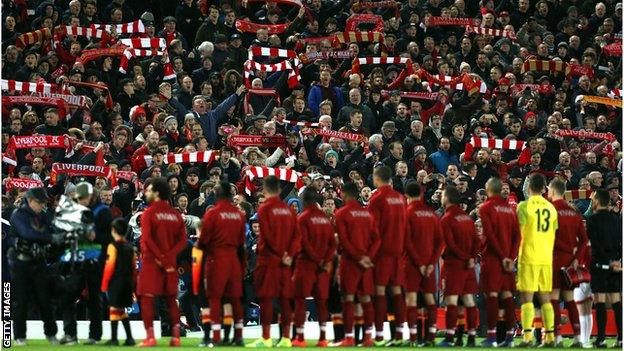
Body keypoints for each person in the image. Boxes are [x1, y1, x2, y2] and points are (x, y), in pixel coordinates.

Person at [247, 176, 299, 348]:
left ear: (266, 189)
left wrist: (278, 253)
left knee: (266, 298)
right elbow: (296, 237)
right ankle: (285, 338)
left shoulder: (264, 209)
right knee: (284, 299)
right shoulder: (289, 210)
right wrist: (288, 255)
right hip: (285, 263)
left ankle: (267, 338)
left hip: (269, 260)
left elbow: (267, 236)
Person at [136, 177, 188, 347]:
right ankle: (175, 338)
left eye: (149, 190)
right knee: (171, 300)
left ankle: (150, 337)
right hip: (171, 264)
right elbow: (183, 241)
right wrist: (169, 257)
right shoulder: (175, 214)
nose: (146, 192)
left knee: (147, 298)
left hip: (152, 262)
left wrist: (160, 257)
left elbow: (148, 240)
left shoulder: (149, 213)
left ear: (157, 193)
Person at [197, 181, 246, 346]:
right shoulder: (239, 214)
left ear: (218, 194)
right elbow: (242, 244)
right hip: (234, 261)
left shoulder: (212, 214)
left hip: (216, 259)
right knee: (234, 300)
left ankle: (216, 337)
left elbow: (203, 241)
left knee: (215, 298)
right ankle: (238, 336)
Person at [8, 187, 58, 346]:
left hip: (39, 262)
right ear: (30, 201)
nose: (42, 205)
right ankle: (19, 336)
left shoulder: (43, 215)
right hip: (21, 264)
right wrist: (50, 237)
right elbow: (27, 233)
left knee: (45, 300)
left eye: (43, 202)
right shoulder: (18, 215)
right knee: (21, 301)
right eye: (40, 202)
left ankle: (51, 334)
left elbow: (55, 228)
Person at [59, 182, 107, 345]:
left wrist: (96, 236)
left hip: (96, 261)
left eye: (83, 197)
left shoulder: (103, 212)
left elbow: (110, 237)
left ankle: (94, 335)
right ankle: (71, 334)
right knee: (69, 296)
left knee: (94, 299)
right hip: (77, 260)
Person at [332, 182, 379, 347]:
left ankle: (350, 338)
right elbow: (377, 239)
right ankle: (368, 338)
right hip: (366, 264)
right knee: (366, 299)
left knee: (348, 299)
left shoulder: (341, 213)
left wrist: (359, 258)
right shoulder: (367, 214)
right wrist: (368, 257)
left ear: (343, 194)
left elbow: (344, 240)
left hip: (350, 262)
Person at [516, 173, 558, 347]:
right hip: (546, 258)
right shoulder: (551, 208)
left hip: (529, 256)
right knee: (545, 299)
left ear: (529, 187)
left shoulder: (524, 206)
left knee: (527, 298)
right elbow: (553, 234)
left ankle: (527, 338)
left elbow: (519, 233)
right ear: (543, 188)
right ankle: (549, 338)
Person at [478, 177, 521, 347]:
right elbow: (518, 236)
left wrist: (503, 257)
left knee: (492, 296)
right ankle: (510, 337)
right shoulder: (510, 210)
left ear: (488, 189)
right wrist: (510, 257)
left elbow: (489, 233)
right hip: (509, 260)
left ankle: (492, 337)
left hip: (493, 258)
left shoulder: (485, 208)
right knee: (508, 296)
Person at [367, 165, 407, 345]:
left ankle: (380, 335)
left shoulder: (376, 199)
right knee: (397, 291)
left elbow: (372, 229)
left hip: (382, 253)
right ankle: (398, 335)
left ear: (376, 179)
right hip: (398, 252)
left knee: (380, 292)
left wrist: (369, 255)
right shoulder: (400, 198)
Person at [292, 188, 337, 347]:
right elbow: (332, 244)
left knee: (299, 300)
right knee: (321, 302)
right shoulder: (325, 220)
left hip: (306, 264)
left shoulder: (302, 218)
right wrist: (325, 260)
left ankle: (300, 338)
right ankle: (323, 339)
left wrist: (317, 260)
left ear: (304, 201)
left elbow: (303, 242)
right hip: (323, 267)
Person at [548, 178, 589, 347]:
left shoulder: (550, 210)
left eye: (549, 190)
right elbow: (584, 240)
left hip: (553, 258)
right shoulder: (573, 212)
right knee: (570, 299)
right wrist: (576, 260)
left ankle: (557, 338)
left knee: (554, 298)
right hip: (569, 261)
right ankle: (578, 338)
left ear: (553, 191)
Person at [437, 186, 480, 347]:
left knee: (452, 301)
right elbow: (477, 240)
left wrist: (464, 257)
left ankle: (449, 337)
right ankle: (469, 337)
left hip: (454, 265)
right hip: (468, 266)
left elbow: (450, 244)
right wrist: (471, 257)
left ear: (447, 198)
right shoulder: (467, 218)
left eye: (442, 196)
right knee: (468, 300)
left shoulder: (446, 219)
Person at [403, 182, 443, 346]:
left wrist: (420, 264)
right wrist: (431, 262)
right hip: (430, 265)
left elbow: (407, 241)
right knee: (430, 300)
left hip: (413, 264)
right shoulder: (431, 214)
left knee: (412, 300)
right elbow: (440, 241)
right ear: (421, 195)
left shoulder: (407, 213)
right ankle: (431, 337)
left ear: (406, 196)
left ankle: (413, 339)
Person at [587, 189, 622, 348]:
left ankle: (601, 339)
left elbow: (596, 244)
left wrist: (608, 260)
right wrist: (617, 260)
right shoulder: (617, 219)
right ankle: (621, 338)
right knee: (616, 299)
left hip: (600, 264)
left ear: (596, 201)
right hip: (615, 265)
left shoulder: (592, 220)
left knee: (600, 299)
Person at [101, 218, 136, 346]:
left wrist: (104, 284)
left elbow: (109, 267)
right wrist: (133, 286)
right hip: (127, 282)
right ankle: (129, 338)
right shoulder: (130, 247)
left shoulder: (112, 246)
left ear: (113, 230)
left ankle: (114, 339)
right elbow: (133, 268)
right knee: (120, 309)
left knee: (114, 308)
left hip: (116, 281)